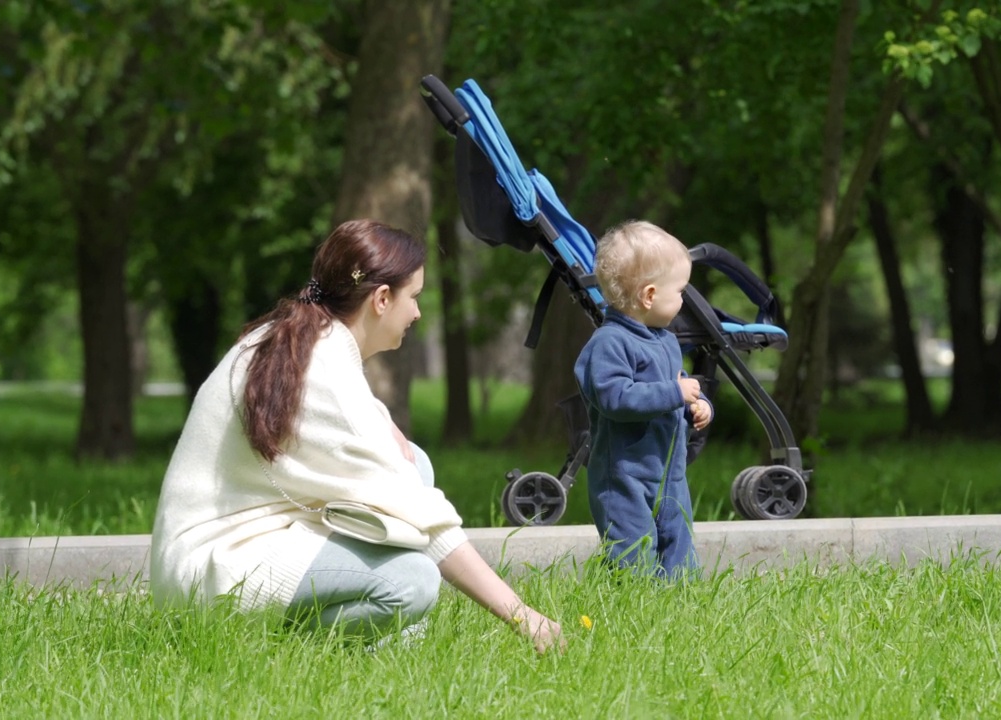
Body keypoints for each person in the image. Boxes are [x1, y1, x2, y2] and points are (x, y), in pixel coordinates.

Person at [150, 219, 562, 652]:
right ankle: (280, 650)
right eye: (414, 297)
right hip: (209, 578)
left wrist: (384, 424)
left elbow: (358, 434)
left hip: (219, 552)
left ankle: (379, 638)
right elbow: (428, 523)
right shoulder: (320, 369)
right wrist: (523, 617)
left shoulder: (297, 337)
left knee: (414, 466)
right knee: (412, 581)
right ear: (382, 299)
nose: (418, 313)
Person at [573, 220, 713, 578]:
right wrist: (674, 392)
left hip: (669, 472)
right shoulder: (609, 343)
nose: (683, 298)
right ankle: (631, 602)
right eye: (680, 290)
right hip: (624, 475)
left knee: (678, 544)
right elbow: (615, 398)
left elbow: (674, 385)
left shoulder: (664, 340)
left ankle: (679, 604)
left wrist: (694, 405)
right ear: (649, 295)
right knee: (631, 552)